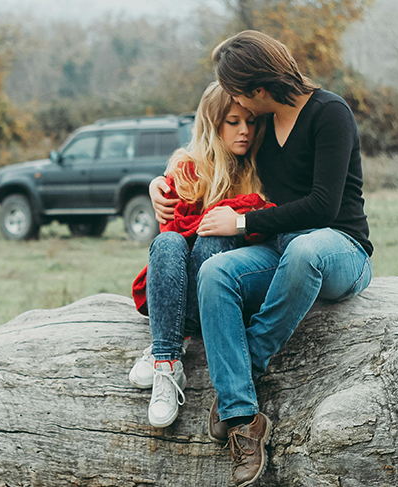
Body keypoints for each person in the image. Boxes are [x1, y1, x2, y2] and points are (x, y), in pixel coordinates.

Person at [149, 31, 373, 486]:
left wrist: (242, 225)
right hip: (279, 247)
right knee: (215, 272)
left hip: (338, 248)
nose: (236, 102)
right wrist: (162, 183)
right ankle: (244, 419)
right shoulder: (263, 124)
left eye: (235, 89)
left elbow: (324, 205)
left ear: (257, 87)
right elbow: (208, 155)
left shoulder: (330, 114)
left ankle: (242, 369)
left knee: (305, 250)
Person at [128, 81, 274, 429]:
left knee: (211, 240)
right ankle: (167, 364)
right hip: (177, 287)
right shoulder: (187, 170)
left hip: (223, 293)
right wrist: (157, 185)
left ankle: (167, 344)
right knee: (167, 244)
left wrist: (235, 219)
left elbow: (269, 223)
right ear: (212, 124)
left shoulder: (260, 169)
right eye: (233, 121)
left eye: (251, 122)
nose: (245, 131)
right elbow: (170, 240)